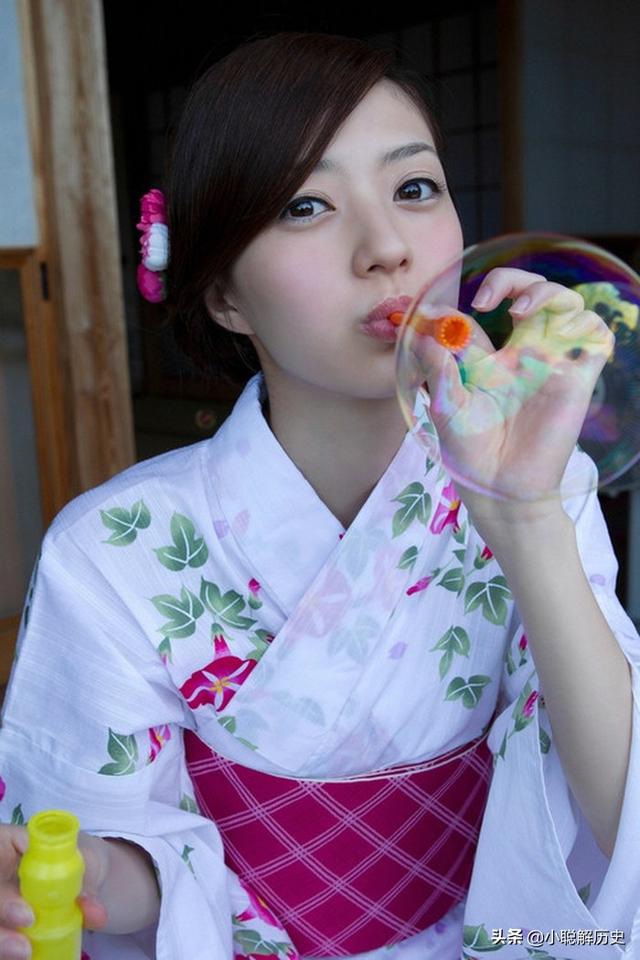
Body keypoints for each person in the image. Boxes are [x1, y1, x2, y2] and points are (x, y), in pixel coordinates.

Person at [0, 30, 638, 960]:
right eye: (306, 205)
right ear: (224, 295)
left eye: (414, 188)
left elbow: (622, 824)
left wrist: (526, 519)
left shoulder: (541, 486)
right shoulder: (115, 547)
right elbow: (134, 865)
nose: (387, 248)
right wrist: (83, 873)